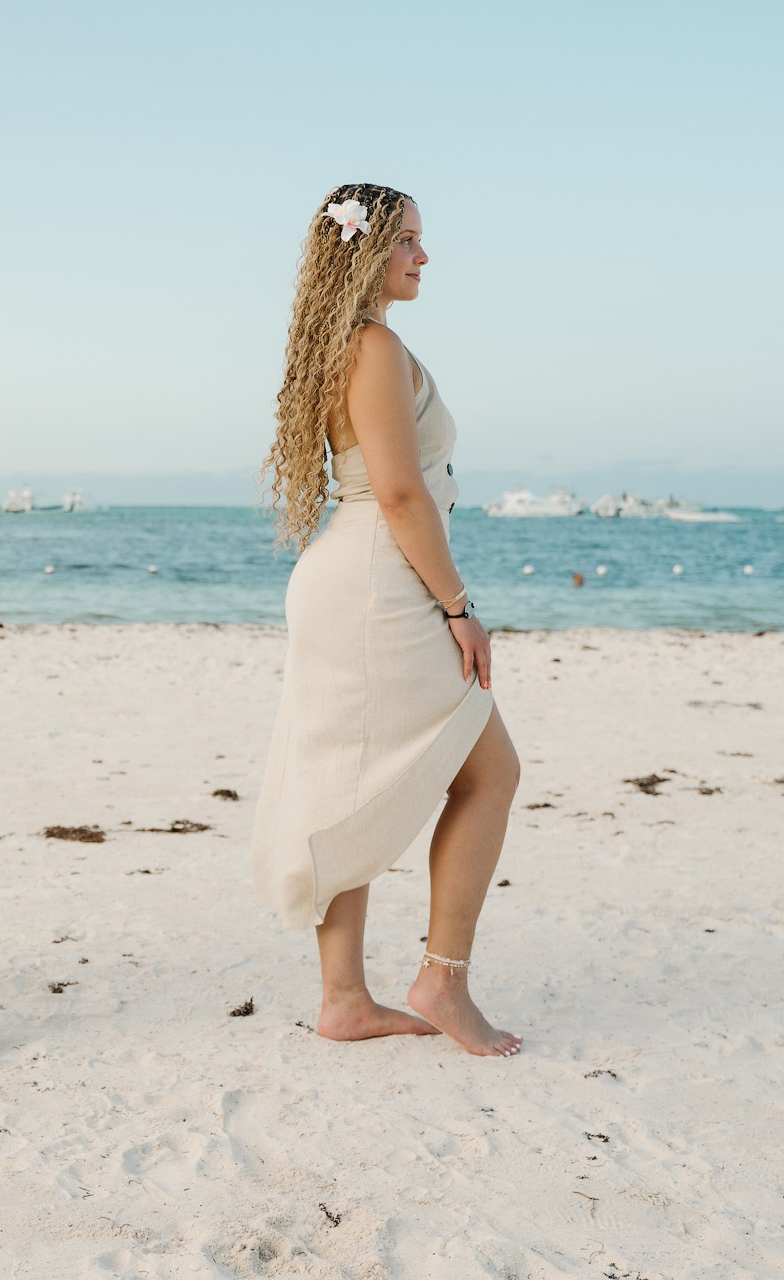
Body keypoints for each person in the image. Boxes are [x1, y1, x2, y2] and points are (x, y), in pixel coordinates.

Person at [250, 185, 523, 1057]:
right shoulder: (374, 345)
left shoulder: (344, 344)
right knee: (490, 771)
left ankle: (344, 1001)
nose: (423, 255)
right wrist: (460, 609)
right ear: (363, 251)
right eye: (406, 238)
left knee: (348, 785)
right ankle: (441, 981)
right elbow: (403, 496)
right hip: (380, 582)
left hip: (358, 575)